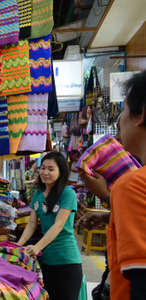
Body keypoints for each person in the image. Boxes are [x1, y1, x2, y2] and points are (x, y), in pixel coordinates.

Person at [104, 70, 146, 300]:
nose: (119, 122)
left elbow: (141, 283)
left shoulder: (132, 186)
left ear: (141, 115)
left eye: (123, 111)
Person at [17, 152, 82, 300]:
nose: (45, 172)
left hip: (67, 260)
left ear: (61, 172)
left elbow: (59, 225)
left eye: (51, 169)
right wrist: (18, 245)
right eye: (43, 168)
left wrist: (37, 247)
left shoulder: (68, 194)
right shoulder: (38, 195)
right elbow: (31, 224)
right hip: (46, 261)